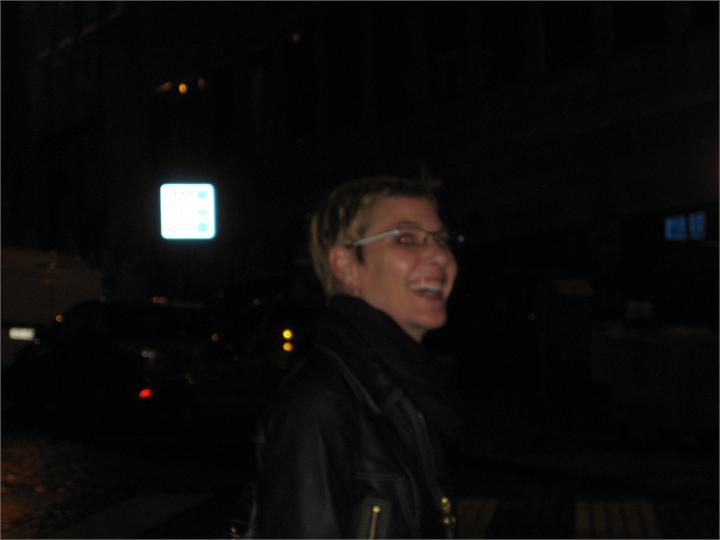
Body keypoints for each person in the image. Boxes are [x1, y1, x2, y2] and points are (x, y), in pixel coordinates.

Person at [254, 175, 464, 538]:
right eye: (406, 238)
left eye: (441, 240)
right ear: (346, 266)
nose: (440, 256)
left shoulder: (406, 388)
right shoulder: (320, 404)